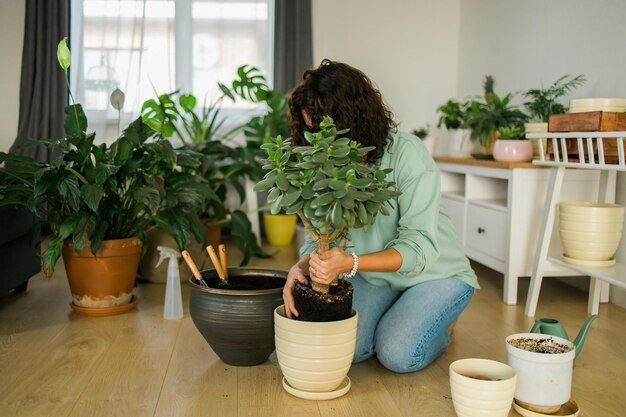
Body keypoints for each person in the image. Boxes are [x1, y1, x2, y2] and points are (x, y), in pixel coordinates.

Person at [282, 59, 479, 374]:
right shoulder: (326, 164)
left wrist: (349, 264)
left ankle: (442, 328)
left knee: (398, 355)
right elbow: (322, 235)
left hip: (436, 275)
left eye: (322, 130)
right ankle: (398, 316)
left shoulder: (408, 154)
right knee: (350, 350)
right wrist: (299, 267)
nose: (315, 141)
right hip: (376, 277)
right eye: (309, 132)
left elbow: (419, 248)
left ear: (350, 120)